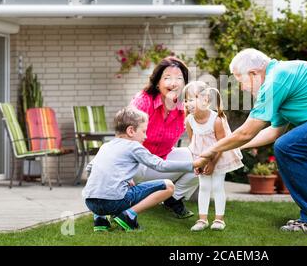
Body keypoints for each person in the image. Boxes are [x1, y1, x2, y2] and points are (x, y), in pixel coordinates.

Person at [199, 48, 307, 233]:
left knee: (288, 147)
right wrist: (229, 148)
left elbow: (246, 132)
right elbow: (273, 132)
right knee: (293, 148)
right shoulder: (281, 77)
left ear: (253, 74)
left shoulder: (275, 80)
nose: (242, 87)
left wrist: (211, 150)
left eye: (240, 80)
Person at [82, 106, 207, 232]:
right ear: (131, 131)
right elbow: (160, 165)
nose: (146, 136)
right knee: (168, 186)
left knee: (108, 188)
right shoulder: (134, 146)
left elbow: (90, 168)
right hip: (114, 202)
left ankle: (100, 219)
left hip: (91, 202)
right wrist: (193, 164)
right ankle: (128, 216)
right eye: (143, 131)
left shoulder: (106, 146)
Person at [130, 56, 198, 219]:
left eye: (179, 79)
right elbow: (126, 140)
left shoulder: (186, 106)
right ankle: (131, 198)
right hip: (136, 166)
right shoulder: (143, 101)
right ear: (157, 82)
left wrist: (198, 116)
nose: (173, 83)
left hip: (160, 162)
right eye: (167, 78)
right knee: (134, 161)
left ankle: (173, 199)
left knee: (200, 158)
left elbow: (198, 140)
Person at [183, 81, 243, 232]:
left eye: (192, 99)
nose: (188, 103)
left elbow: (222, 144)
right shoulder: (189, 120)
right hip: (201, 158)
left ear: (206, 100)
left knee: (217, 186)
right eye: (186, 100)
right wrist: (197, 163)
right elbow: (193, 143)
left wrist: (212, 163)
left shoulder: (216, 120)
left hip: (218, 157)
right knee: (203, 187)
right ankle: (202, 220)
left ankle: (219, 219)